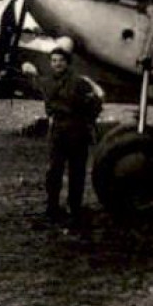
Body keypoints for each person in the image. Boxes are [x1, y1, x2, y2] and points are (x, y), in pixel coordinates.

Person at [40, 38, 103, 224]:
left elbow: (95, 103)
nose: (57, 64)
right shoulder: (48, 82)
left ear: (67, 63)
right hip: (58, 132)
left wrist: (87, 121)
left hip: (77, 132)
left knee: (77, 172)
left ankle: (74, 207)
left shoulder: (80, 83)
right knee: (54, 172)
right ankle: (52, 207)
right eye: (54, 61)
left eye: (60, 60)